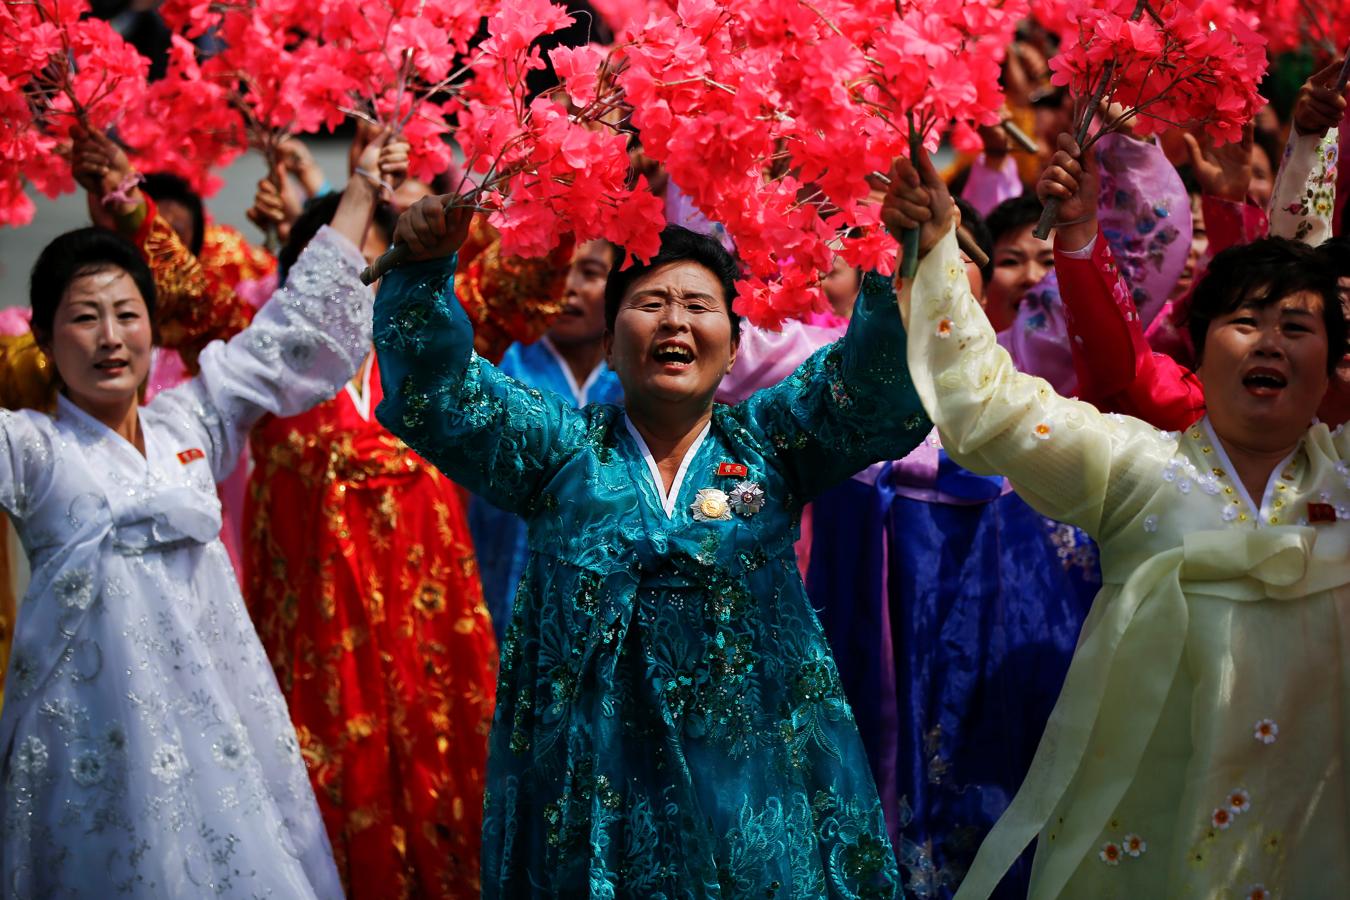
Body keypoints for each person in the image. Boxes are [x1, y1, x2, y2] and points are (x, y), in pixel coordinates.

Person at [374, 194, 933, 897]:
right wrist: (424, 268)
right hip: (593, 808)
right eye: (651, 303)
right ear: (610, 344)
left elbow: (871, 387)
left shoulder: (773, 448)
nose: (674, 320)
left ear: (734, 346)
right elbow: (441, 391)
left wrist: (905, 251)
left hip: (752, 812)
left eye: (699, 307)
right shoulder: (557, 453)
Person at [889, 145, 1350, 897]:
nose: (1269, 339)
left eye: (1296, 326)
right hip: (1147, 842)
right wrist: (939, 245)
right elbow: (988, 406)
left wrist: (1313, 143)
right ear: (1197, 350)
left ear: (1334, 364)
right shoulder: (1138, 469)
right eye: (1245, 321)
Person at [0, 146, 387, 896]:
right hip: (87, 741)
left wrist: (363, 186)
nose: (111, 337)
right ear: (44, 342)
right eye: (84, 318)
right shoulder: (32, 449)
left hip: (216, 724)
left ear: (152, 331)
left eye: (127, 315)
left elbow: (294, 324)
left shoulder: (193, 422)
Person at [244, 191, 499, 898]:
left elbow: (517, 287)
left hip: (430, 653)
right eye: (337, 269)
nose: (358, 285)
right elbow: (181, 303)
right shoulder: (267, 378)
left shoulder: (427, 371)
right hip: (319, 659)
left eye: (376, 265)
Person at [469, 238, 624, 637]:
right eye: (558, 271)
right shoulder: (501, 360)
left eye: (589, 273)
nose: (567, 287)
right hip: (506, 565)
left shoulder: (635, 376)